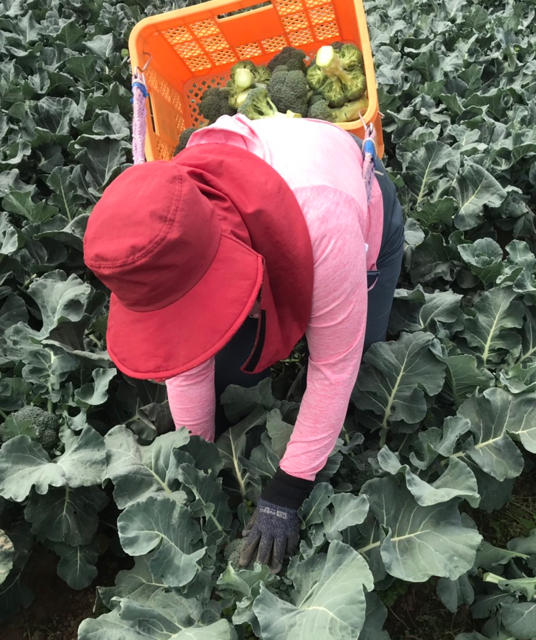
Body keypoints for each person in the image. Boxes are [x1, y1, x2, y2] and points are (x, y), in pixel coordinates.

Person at [83, 113, 404, 573]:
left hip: (348, 207)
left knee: (363, 365)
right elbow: (186, 360)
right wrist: (201, 461)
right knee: (230, 375)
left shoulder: (325, 222)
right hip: (272, 202)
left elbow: (334, 366)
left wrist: (286, 493)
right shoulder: (170, 227)